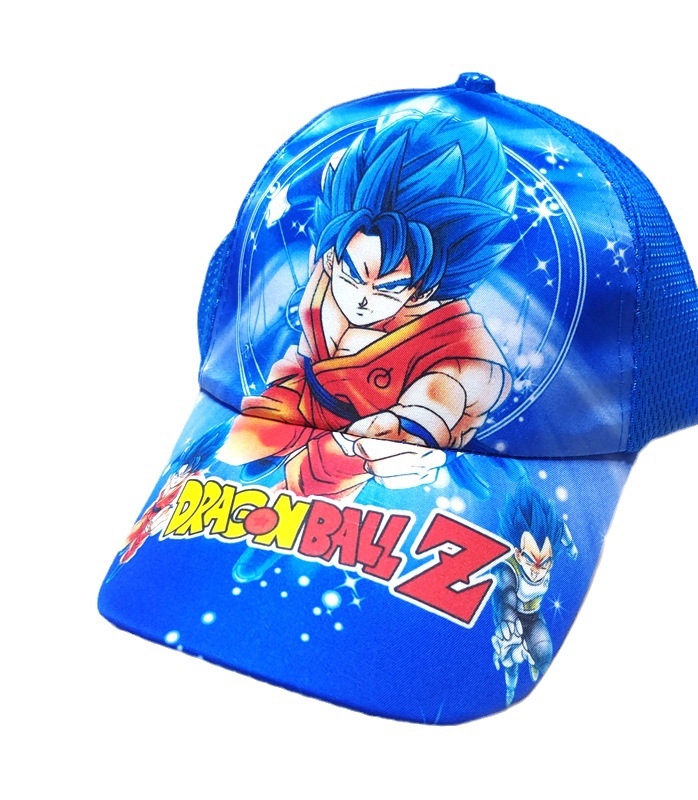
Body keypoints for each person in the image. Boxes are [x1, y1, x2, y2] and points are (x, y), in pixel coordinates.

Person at [218, 110, 518, 502]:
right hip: (292, 406)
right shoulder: (326, 269)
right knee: (235, 452)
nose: (363, 298)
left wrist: (414, 426)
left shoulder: (456, 340)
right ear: (331, 258)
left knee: (312, 491)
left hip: (360, 452)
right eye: (353, 275)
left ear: (421, 292)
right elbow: (306, 352)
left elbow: (456, 383)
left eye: (389, 288)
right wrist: (274, 413)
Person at [492, 484, 578, 706]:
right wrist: (506, 622)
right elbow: (505, 596)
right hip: (509, 619)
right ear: (519, 554)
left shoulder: (549, 549)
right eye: (531, 560)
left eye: (545, 562)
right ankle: (510, 691)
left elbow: (561, 528)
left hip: (533, 615)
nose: (538, 570)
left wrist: (571, 546)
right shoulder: (507, 569)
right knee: (509, 660)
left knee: (544, 652)